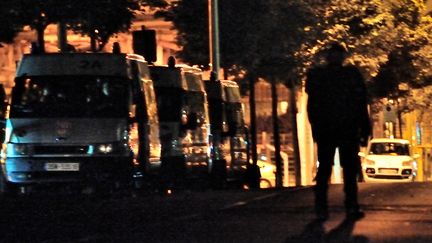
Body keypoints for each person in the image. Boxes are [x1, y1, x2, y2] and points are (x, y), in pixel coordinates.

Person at [305, 42, 371, 221]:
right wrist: (364, 129)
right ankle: (349, 206)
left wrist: (316, 128)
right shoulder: (350, 75)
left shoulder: (318, 75)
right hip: (344, 129)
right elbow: (360, 104)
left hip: (332, 129)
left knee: (329, 168)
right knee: (346, 169)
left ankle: (323, 207)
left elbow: (312, 106)